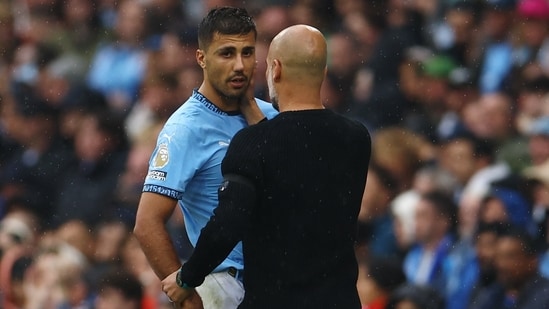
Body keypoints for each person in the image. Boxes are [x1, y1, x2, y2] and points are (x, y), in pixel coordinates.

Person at [163, 24, 372, 308]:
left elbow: (226, 225)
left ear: (275, 69)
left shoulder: (252, 144)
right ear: (323, 72)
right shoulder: (356, 137)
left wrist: (187, 276)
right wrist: (256, 118)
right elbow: (301, 160)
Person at [133, 6, 277, 309]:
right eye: (226, 53)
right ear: (202, 58)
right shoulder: (184, 129)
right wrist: (186, 296)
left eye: (247, 52)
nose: (240, 65)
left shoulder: (268, 116)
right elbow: (147, 223)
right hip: (224, 284)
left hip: (278, 280)